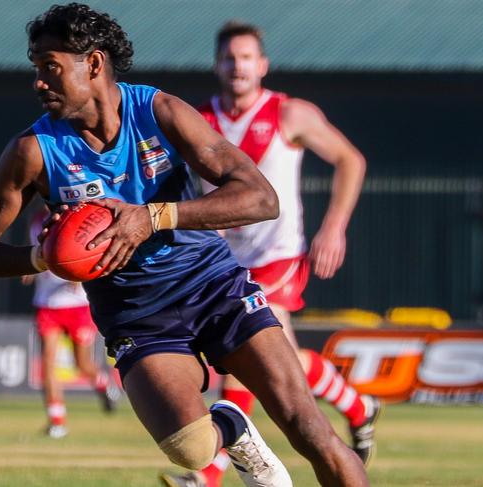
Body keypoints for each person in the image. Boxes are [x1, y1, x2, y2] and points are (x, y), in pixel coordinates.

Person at [0, 4, 369, 486]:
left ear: (93, 64)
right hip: (135, 316)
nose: (38, 82)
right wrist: (38, 258)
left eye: (50, 67)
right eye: (36, 68)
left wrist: (152, 217)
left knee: (309, 428)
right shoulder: (33, 151)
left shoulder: (158, 111)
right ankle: (231, 423)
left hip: (213, 288)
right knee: (190, 450)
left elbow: (260, 197)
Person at [160, 21, 378, 487]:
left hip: (278, 258)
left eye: (245, 57)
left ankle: (207, 474)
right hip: (221, 263)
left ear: (262, 65)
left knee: (244, 358)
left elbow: (350, 160)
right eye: (228, 58)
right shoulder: (197, 119)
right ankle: (360, 406)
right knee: (286, 362)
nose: (236, 66)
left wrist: (334, 227)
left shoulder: (288, 113)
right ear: (216, 65)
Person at [21, 206, 118, 439]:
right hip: (47, 303)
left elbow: (89, 251)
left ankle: (103, 385)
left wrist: (79, 273)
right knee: (47, 363)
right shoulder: (35, 219)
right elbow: (37, 253)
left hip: (76, 304)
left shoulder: (76, 214)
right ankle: (57, 420)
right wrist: (28, 269)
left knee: (82, 364)